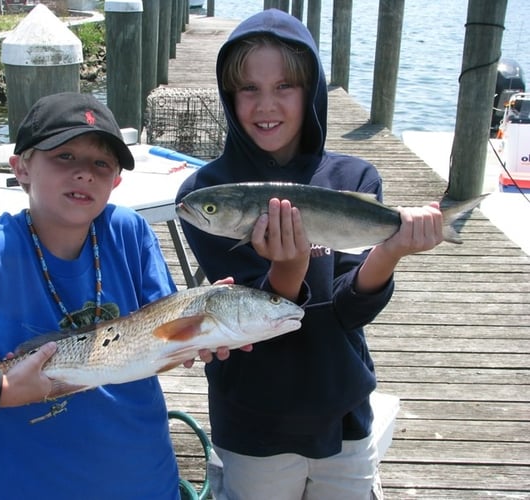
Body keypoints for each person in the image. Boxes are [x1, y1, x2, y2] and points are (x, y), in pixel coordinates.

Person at [0, 92, 218, 499]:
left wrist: (205, 330)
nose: (84, 173)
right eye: (64, 156)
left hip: (146, 481)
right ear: (22, 167)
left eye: (101, 163)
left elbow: (163, 331)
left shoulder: (129, 233)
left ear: (117, 180)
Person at [175, 9, 445, 500]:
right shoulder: (207, 193)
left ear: (312, 90)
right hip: (253, 420)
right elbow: (240, 323)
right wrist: (288, 269)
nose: (265, 104)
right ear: (228, 95)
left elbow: (349, 309)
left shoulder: (354, 179)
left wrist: (389, 252)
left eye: (285, 86)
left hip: (341, 411)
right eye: (248, 89)